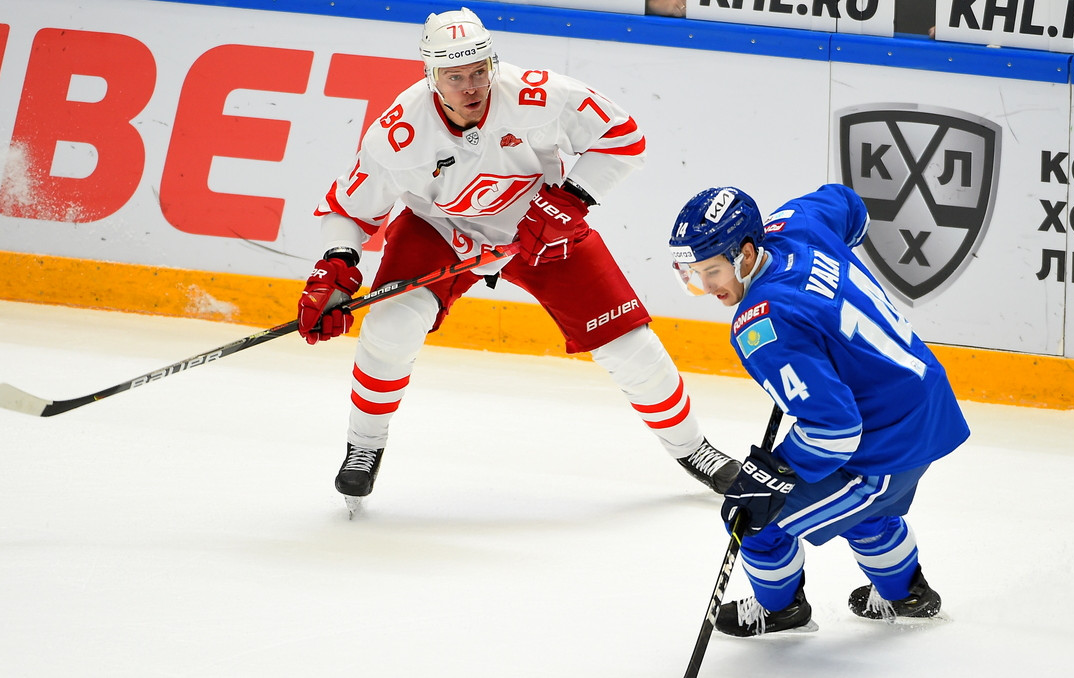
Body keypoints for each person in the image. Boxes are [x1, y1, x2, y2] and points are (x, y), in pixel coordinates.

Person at [297, 7, 741, 512]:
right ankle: (364, 446)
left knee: (629, 345)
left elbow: (625, 137)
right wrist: (334, 266)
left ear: (493, 62)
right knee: (390, 329)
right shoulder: (398, 132)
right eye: (455, 76)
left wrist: (572, 198)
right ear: (430, 75)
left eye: (479, 71)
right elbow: (347, 211)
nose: (471, 86)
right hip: (441, 229)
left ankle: (694, 449)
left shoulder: (540, 95)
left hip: (542, 224)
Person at [667, 183, 970, 636]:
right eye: (692, 273)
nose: (706, 286)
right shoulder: (796, 224)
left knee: (753, 516)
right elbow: (848, 204)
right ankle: (908, 596)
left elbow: (835, 431)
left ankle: (780, 609)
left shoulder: (764, 321)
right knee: (863, 511)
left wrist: (773, 472)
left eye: (712, 271)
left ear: (747, 254)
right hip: (923, 403)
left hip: (884, 442)